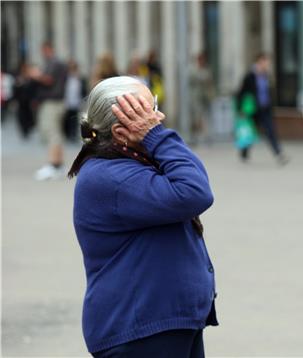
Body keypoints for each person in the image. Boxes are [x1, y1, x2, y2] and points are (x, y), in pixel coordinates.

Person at [68, 76, 217, 357]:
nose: (158, 119)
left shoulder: (133, 161)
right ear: (121, 132)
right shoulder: (110, 176)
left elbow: (193, 179)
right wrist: (157, 137)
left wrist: (155, 139)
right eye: (148, 113)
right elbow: (195, 191)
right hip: (141, 331)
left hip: (162, 324)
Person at [236, 53, 289, 165]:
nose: (267, 65)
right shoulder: (250, 76)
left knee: (270, 130)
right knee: (249, 132)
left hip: (264, 108)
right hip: (252, 110)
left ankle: (278, 153)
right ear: (259, 62)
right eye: (265, 62)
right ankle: (244, 152)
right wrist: (240, 109)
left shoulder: (266, 76)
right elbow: (241, 93)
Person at [29, 42, 69, 180]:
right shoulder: (58, 63)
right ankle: (57, 164)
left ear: (47, 49)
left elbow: (49, 80)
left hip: (52, 102)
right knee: (55, 132)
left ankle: (54, 165)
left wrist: (36, 75)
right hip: (56, 101)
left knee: (51, 132)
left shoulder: (54, 63)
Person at [189, 53, 215, 144]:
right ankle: (194, 137)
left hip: (206, 97)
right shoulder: (193, 70)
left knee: (206, 117)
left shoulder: (207, 70)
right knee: (196, 118)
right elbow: (191, 80)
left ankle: (207, 137)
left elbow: (210, 83)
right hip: (196, 98)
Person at [13, 62, 39, 139]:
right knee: (21, 116)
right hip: (21, 101)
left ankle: (28, 129)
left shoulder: (31, 79)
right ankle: (24, 131)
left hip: (29, 101)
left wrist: (35, 99)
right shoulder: (18, 78)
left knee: (29, 116)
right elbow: (15, 90)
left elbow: (35, 89)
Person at [62, 60, 87, 141]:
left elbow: (83, 90)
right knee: (67, 119)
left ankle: (73, 134)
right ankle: (68, 134)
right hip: (67, 102)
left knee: (74, 118)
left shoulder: (80, 78)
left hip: (76, 102)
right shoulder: (65, 78)